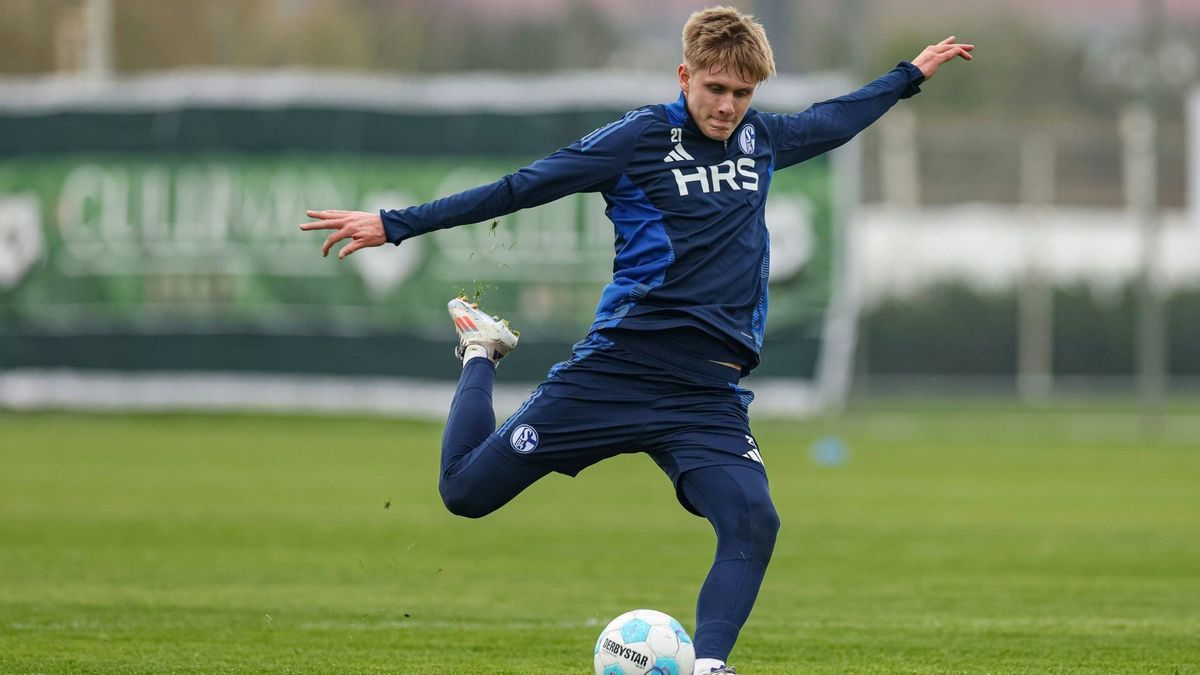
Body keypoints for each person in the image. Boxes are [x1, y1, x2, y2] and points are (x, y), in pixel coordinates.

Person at [301, 7, 971, 673]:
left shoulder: (759, 139)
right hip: (619, 369)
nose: (729, 106)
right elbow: (522, 186)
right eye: (716, 89)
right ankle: (480, 349)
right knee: (466, 494)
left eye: (743, 93)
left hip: (706, 391)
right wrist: (396, 223)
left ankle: (709, 665)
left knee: (753, 522)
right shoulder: (640, 138)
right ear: (686, 75)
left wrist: (908, 74)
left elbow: (835, 118)